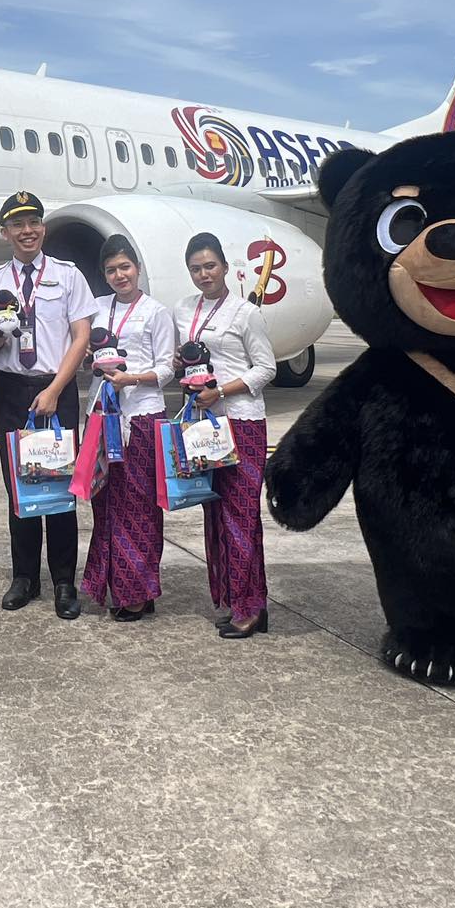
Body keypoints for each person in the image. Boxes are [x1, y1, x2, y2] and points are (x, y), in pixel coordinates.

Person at [0, 192, 94, 619]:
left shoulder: (68, 275)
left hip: (55, 388)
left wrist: (56, 389)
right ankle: (24, 576)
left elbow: (81, 336)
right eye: (18, 225)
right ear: (5, 233)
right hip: (10, 389)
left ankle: (63, 580)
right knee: (19, 486)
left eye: (34, 222)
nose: (27, 231)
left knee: (58, 486)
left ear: (42, 227)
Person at [171, 232, 277, 639]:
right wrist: (180, 363)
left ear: (225, 267)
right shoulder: (185, 309)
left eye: (210, 266)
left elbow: (265, 369)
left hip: (241, 421)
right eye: (196, 269)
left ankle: (250, 607)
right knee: (216, 515)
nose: (204, 274)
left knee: (241, 515)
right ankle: (238, 600)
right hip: (204, 424)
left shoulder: (245, 313)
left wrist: (222, 391)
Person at [80, 234, 178, 622]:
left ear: (137, 268)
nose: (119, 275)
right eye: (111, 270)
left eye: (125, 267)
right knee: (103, 501)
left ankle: (137, 591)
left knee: (138, 504)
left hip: (140, 416)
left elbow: (167, 369)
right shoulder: (97, 307)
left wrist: (131, 379)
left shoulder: (156, 312)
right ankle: (111, 585)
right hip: (102, 414)